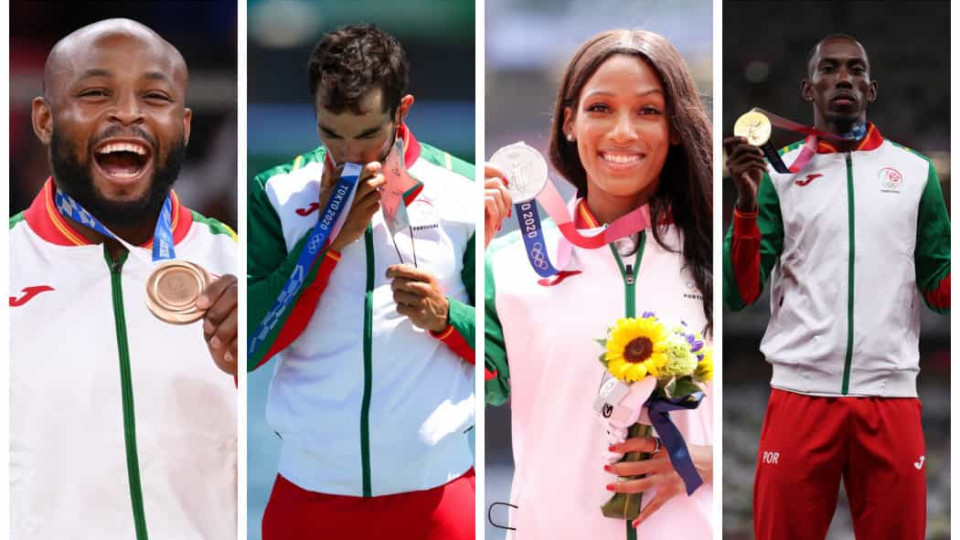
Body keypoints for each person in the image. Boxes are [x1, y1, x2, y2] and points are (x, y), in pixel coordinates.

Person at [10, 19, 238, 539]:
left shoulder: (239, 264)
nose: (129, 113)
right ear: (44, 120)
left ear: (182, 126)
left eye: (154, 97)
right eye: (95, 93)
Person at [247, 24, 476, 539]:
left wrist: (445, 318)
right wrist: (325, 243)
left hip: (436, 500)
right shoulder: (278, 192)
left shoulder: (464, 190)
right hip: (309, 499)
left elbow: (503, 355)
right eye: (331, 133)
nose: (351, 154)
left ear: (403, 111)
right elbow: (250, 344)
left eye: (368, 134)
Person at [485, 29, 714, 539]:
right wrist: (464, 256)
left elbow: (795, 409)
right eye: (601, 108)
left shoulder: (715, 254)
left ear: (676, 128)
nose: (623, 132)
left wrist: (700, 459)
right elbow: (452, 383)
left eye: (649, 112)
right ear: (569, 122)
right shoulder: (507, 263)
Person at [722, 35, 950, 540]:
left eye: (854, 69)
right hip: (800, 398)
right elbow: (739, 291)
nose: (842, 77)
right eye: (829, 69)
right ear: (809, 88)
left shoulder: (915, 174)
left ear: (871, 88)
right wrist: (743, 205)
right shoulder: (775, 174)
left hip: (890, 401)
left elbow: (939, 284)